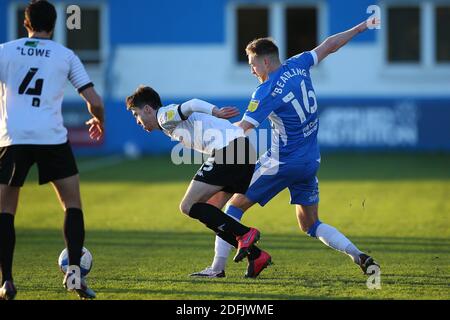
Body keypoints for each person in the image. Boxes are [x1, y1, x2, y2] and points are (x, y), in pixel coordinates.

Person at [192, 18, 381, 278]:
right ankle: (357, 254)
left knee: (233, 206)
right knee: (310, 224)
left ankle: (217, 268)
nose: (252, 71)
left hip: (281, 161)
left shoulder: (265, 91)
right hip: (310, 162)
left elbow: (243, 128)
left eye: (252, 65)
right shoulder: (299, 64)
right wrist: (360, 28)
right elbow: (329, 46)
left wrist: (205, 136)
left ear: (265, 62)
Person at [0, 0, 104, 300]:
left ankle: (6, 280)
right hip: (51, 137)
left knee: (6, 210)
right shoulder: (65, 55)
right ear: (55, 24)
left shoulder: (5, 51)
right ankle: (74, 275)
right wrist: (99, 121)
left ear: (25, 23)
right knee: (72, 205)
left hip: (12, 137)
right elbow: (94, 100)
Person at [125, 86, 273, 278]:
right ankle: (251, 257)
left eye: (136, 114)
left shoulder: (163, 116)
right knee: (210, 212)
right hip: (244, 152)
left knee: (187, 206)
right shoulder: (167, 122)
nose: (138, 121)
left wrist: (216, 111)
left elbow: (192, 104)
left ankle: (245, 234)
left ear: (147, 109)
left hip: (229, 151)